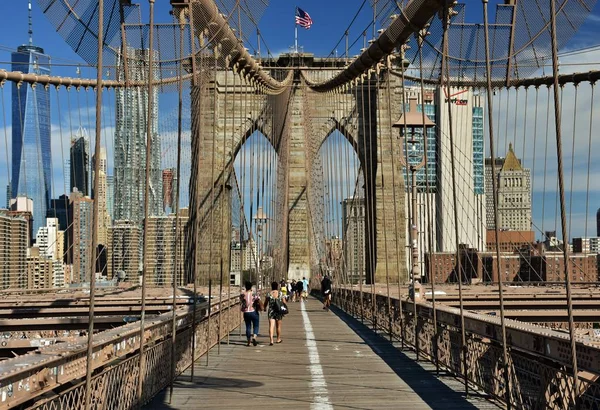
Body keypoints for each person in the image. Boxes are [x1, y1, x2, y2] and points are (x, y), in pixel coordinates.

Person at [264, 281, 286, 345]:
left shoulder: (269, 294)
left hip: (271, 311)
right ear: (277, 286)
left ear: (271, 287)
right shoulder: (280, 293)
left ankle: (271, 340)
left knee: (271, 325)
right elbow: (284, 302)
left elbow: (266, 302)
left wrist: (265, 308)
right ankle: (278, 339)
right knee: (278, 326)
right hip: (278, 311)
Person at [240, 281, 262, 346]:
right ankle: (254, 337)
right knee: (256, 325)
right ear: (251, 287)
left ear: (245, 287)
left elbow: (241, 301)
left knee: (248, 326)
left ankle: (249, 342)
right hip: (254, 311)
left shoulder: (243, 294)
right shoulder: (254, 294)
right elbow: (258, 300)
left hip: (246, 312)